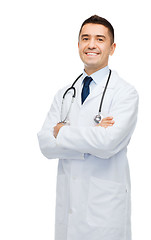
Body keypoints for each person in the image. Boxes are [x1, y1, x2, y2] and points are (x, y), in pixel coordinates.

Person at [37, 15, 139, 240]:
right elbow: (45, 144)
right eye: (86, 38)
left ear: (112, 48)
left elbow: (108, 143)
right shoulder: (65, 94)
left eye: (100, 39)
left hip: (104, 210)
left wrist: (61, 131)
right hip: (69, 208)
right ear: (78, 45)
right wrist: (93, 134)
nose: (91, 44)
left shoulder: (125, 93)